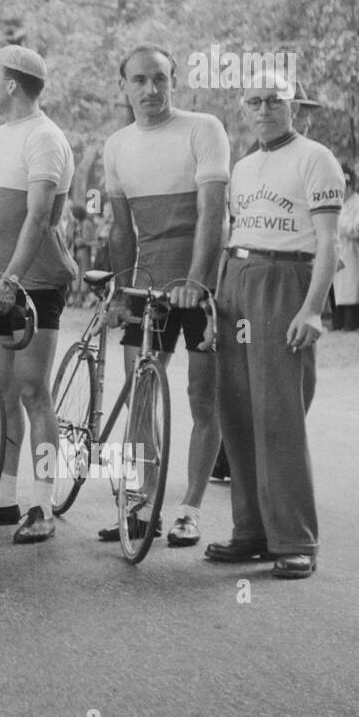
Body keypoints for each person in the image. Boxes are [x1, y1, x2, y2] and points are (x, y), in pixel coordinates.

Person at [207, 74, 342, 580]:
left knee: (279, 412)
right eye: (255, 101)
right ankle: (252, 532)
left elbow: (329, 244)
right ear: (245, 108)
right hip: (236, 279)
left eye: (275, 101)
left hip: (284, 281)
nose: (264, 109)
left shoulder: (315, 158)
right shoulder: (243, 167)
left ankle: (296, 539)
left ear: (295, 107)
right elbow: (238, 229)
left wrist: (313, 308)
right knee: (237, 409)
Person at [99, 45, 230, 548]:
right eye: (139, 80)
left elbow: (213, 214)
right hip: (147, 286)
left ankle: (190, 508)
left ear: (174, 81)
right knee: (140, 395)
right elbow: (120, 231)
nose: (150, 90)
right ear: (124, 86)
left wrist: (196, 282)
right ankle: (141, 504)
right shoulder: (117, 145)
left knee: (202, 395)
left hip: (203, 287)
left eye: (160, 79)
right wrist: (118, 294)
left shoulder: (203, 128)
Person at [0, 44, 76, 541]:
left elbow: (38, 216)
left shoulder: (45, 138)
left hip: (35, 283)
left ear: (11, 84)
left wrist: (11, 279)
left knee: (33, 391)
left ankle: (44, 506)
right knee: (0, 391)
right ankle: (3, 499)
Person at [331, 165, 359, 331]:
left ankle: (351, 321)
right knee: (338, 287)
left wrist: (341, 226)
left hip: (353, 250)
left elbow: (356, 229)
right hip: (339, 249)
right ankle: (338, 321)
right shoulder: (337, 204)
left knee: (351, 286)